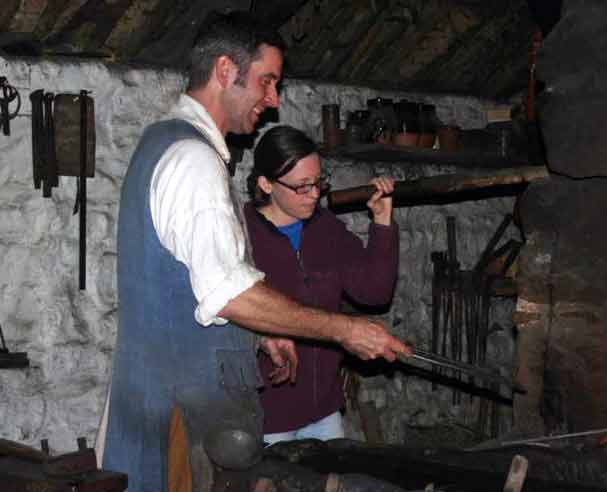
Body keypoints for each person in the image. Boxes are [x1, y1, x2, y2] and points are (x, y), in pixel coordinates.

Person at [102, 11, 409, 492]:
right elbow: (229, 295)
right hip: (178, 424)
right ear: (226, 70)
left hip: (166, 405)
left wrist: (258, 337)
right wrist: (344, 329)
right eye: (266, 81)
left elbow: (198, 287)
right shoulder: (193, 161)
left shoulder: (164, 143)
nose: (274, 99)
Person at [244, 125, 399, 445]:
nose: (315, 194)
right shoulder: (242, 236)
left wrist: (382, 223)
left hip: (325, 411)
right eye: (302, 186)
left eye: (318, 182)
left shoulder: (325, 229)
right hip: (267, 417)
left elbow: (375, 292)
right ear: (266, 184)